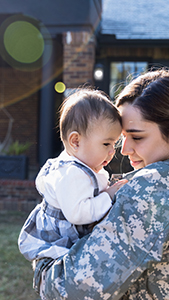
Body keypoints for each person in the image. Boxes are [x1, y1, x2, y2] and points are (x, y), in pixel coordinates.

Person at [24, 69, 169, 300]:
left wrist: (43, 265)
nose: (124, 150)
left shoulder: (157, 185)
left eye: (137, 137)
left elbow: (72, 290)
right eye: (122, 138)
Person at [18, 88, 127, 263]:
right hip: (59, 240)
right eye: (106, 143)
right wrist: (108, 195)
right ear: (75, 141)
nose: (112, 151)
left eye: (114, 143)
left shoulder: (83, 166)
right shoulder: (72, 174)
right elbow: (78, 214)